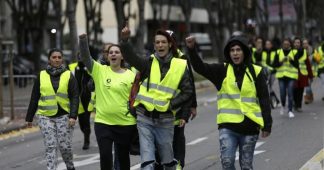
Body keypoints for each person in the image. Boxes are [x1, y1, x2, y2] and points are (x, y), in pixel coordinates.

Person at [185, 35, 272, 170]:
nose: (235, 53)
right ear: (228, 53)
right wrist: (191, 49)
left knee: (246, 166)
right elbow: (200, 68)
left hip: (250, 127)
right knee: (227, 162)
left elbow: (264, 99)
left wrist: (267, 124)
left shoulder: (256, 71)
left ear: (244, 52)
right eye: (232, 50)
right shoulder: (222, 71)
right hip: (228, 127)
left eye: (238, 50)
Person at [120, 26, 194, 170]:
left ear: (170, 44)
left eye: (163, 42)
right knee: (147, 160)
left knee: (167, 161)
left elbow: (188, 91)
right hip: (144, 118)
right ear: (154, 45)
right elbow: (131, 58)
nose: (160, 45)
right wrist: (125, 40)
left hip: (165, 120)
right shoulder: (148, 62)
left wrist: (171, 104)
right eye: (157, 42)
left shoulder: (180, 65)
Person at [79, 35, 137, 170]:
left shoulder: (131, 75)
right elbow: (86, 58)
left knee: (123, 159)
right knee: (105, 157)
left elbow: (136, 99)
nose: (113, 54)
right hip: (103, 123)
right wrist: (83, 41)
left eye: (117, 52)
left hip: (125, 123)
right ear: (107, 57)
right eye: (111, 52)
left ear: (122, 56)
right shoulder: (100, 70)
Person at [25, 48, 78, 170]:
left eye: (59, 57)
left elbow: (75, 96)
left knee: (65, 146)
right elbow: (34, 97)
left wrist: (73, 116)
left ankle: (70, 166)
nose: (57, 59)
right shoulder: (41, 75)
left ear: (62, 59)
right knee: (50, 146)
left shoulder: (68, 75)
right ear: (49, 59)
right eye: (54, 57)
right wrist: (29, 117)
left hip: (64, 116)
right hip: (45, 116)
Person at [154, 30, 197, 170]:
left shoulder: (182, 59)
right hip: (160, 110)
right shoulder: (155, 59)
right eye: (159, 42)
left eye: (166, 41)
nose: (162, 45)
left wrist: (192, 107)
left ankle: (178, 163)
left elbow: (189, 87)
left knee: (177, 138)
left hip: (178, 108)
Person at [69, 60, 92, 150]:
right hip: (77, 99)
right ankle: (85, 134)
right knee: (81, 122)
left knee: (86, 121)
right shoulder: (71, 67)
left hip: (88, 98)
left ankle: (87, 140)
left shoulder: (90, 67)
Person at [272, 38, 299, 118]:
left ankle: (290, 110)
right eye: (284, 44)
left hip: (291, 76)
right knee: (282, 93)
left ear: (290, 44)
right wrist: (281, 62)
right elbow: (274, 65)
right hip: (281, 76)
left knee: (290, 93)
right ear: (282, 45)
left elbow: (297, 65)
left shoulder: (294, 52)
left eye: (287, 44)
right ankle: (283, 106)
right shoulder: (278, 52)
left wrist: (291, 60)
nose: (286, 45)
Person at [292, 37, 313, 112]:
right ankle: (295, 103)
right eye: (296, 42)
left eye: (298, 43)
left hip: (303, 75)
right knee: (294, 90)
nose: (297, 44)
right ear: (293, 44)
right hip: (293, 74)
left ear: (300, 44)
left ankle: (299, 106)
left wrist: (310, 75)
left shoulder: (304, 52)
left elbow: (308, 64)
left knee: (300, 90)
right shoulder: (291, 51)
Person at [264, 39, 281, 108]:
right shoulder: (263, 52)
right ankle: (275, 101)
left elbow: (277, 62)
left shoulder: (275, 52)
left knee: (270, 87)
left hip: (273, 72)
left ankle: (275, 101)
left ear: (271, 45)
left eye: (269, 44)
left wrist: (273, 67)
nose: (267, 45)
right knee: (268, 87)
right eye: (266, 44)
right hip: (266, 71)